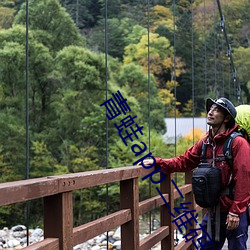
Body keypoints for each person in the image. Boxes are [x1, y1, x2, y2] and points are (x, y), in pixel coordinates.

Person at [140, 97, 250, 250]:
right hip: (213, 210)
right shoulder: (205, 143)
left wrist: (236, 212)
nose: (210, 112)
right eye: (210, 109)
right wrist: (157, 162)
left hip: (233, 211)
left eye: (216, 110)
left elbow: (244, 179)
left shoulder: (238, 143)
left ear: (227, 118)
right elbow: (184, 161)